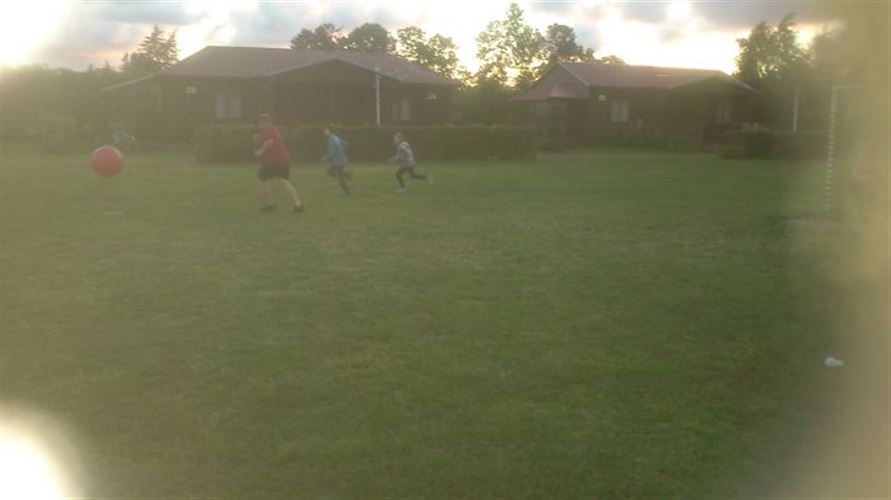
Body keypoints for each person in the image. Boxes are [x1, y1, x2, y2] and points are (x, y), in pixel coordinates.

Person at [254, 113, 305, 213]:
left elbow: (270, 142)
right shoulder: (274, 129)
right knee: (283, 181)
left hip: (274, 161)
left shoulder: (268, 130)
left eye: (259, 123)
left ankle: (270, 203)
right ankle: (298, 204)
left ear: (264, 122)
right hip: (280, 160)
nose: (258, 125)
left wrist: (260, 151)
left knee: (262, 180)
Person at [322, 126, 351, 197]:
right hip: (338, 160)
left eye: (326, 130)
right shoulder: (336, 137)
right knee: (330, 172)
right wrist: (342, 152)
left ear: (330, 131)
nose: (324, 132)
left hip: (339, 161)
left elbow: (333, 152)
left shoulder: (332, 140)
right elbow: (346, 144)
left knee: (339, 178)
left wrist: (325, 158)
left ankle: (346, 192)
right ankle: (346, 175)